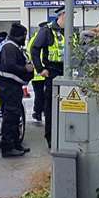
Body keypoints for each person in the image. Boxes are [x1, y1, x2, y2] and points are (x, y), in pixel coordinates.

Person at [0, 23, 34, 158]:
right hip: (8, 88)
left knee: (15, 116)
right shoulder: (9, 47)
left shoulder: (12, 46)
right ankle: (8, 147)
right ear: (19, 36)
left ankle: (16, 144)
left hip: (12, 87)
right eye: (24, 35)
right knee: (10, 117)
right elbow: (10, 65)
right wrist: (26, 69)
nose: (25, 38)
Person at [30, 9, 66, 146]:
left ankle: (63, 136)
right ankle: (51, 138)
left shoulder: (70, 31)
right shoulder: (47, 30)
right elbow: (34, 49)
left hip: (67, 73)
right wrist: (40, 69)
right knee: (51, 107)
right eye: (70, 15)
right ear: (62, 15)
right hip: (52, 73)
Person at [30, 20, 51, 121]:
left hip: (37, 73)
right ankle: (42, 112)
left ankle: (38, 112)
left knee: (39, 95)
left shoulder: (33, 38)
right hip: (42, 71)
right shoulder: (42, 38)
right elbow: (34, 53)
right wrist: (41, 68)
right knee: (44, 95)